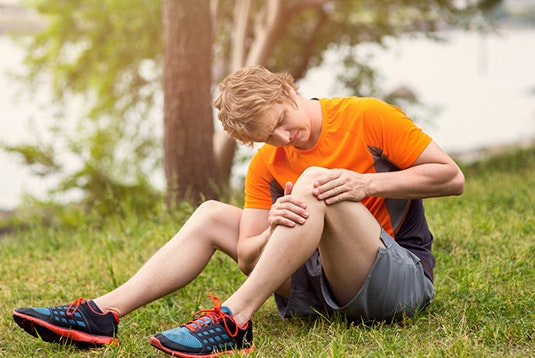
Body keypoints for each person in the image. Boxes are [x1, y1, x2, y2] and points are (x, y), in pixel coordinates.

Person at [13, 65, 465, 357]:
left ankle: (233, 321)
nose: (286, 139)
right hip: (319, 288)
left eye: (283, 121)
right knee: (212, 212)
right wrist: (275, 225)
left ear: (289, 88)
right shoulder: (266, 163)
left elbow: (451, 177)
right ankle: (101, 314)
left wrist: (364, 183)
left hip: (397, 281)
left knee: (312, 181)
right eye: (270, 137)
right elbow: (248, 255)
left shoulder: (368, 116)